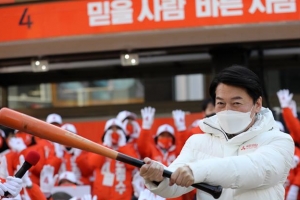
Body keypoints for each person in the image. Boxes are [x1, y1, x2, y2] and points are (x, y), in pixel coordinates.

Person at [139, 65, 294, 200]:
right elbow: (173, 185)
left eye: (236, 103)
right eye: (220, 103)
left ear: (257, 104)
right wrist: (159, 177)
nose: (227, 110)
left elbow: (255, 170)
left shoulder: (278, 140)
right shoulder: (198, 142)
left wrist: (198, 171)